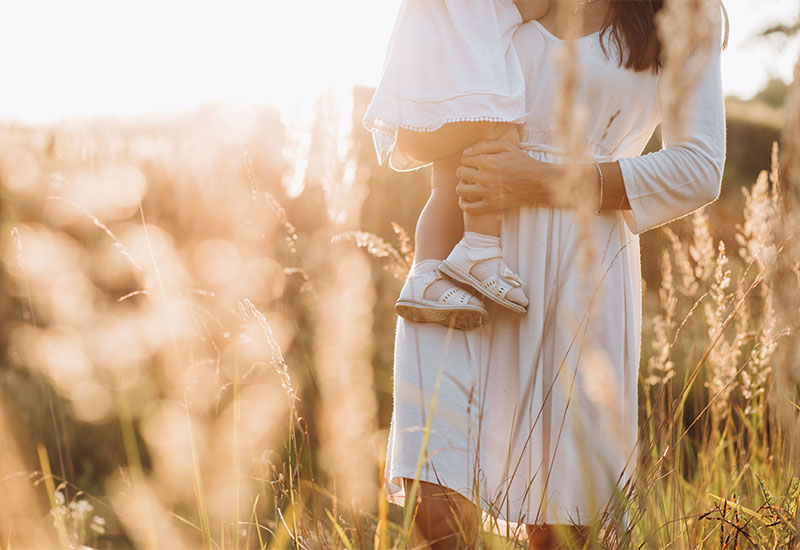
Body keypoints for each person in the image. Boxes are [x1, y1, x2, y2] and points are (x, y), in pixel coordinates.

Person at [377, 0, 728, 548]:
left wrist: (541, 179)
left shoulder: (683, 11)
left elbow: (699, 169)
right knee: (434, 506)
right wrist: (476, 128)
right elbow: (411, 133)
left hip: (579, 281)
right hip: (454, 272)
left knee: (564, 527)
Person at [364, 1, 552, 331]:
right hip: (464, 93)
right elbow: (536, 6)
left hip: (425, 95)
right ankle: (480, 249)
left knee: (444, 187)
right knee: (498, 136)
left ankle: (424, 274)